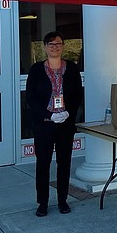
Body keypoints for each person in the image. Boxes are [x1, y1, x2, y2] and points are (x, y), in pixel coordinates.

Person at [25, 31, 83, 217]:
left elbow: (77, 95)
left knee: (64, 163)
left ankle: (62, 200)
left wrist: (69, 113)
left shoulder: (72, 69)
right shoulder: (36, 70)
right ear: (44, 47)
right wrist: (48, 114)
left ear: (63, 46)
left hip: (65, 124)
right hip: (44, 124)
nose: (55, 47)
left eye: (58, 43)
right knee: (43, 163)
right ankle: (42, 203)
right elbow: (31, 98)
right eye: (51, 44)